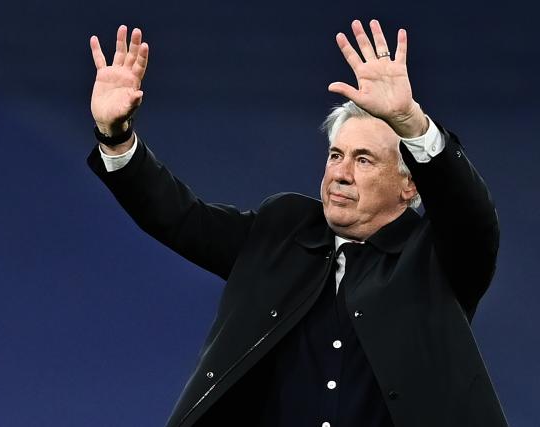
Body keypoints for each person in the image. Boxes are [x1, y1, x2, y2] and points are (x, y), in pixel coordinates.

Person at [87, 20, 508, 427]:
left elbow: (470, 215)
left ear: (409, 185)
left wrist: (411, 123)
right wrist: (115, 137)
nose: (340, 174)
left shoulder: (438, 259)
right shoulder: (282, 230)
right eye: (336, 155)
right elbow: (181, 219)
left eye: (363, 160)